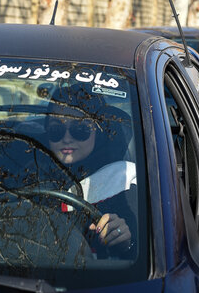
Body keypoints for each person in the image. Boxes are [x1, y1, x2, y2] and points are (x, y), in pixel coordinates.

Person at [45, 84, 136, 256]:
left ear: (98, 131)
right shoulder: (26, 173)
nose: (66, 138)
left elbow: (141, 254)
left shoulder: (123, 181)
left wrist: (124, 241)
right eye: (56, 129)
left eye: (80, 129)